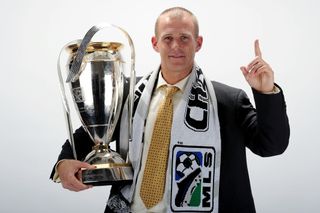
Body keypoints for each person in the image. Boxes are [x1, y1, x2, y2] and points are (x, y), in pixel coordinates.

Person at [50, 7, 290, 213]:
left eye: (185, 38)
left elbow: (272, 145)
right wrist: (63, 164)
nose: (176, 46)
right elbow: (88, 137)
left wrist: (266, 92)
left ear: (199, 43)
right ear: (155, 43)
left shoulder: (228, 101)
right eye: (167, 38)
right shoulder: (127, 94)